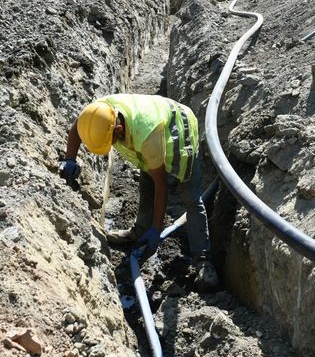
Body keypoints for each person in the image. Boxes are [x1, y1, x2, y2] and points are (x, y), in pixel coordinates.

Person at [59, 93, 218, 289]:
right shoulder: (98, 114)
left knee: (190, 197)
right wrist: (70, 159)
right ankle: (140, 231)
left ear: (118, 128)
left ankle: (203, 259)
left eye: (112, 141)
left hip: (179, 128)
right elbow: (78, 127)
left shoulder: (147, 136)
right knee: (146, 182)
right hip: (154, 123)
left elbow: (162, 185)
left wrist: (157, 230)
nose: (112, 146)